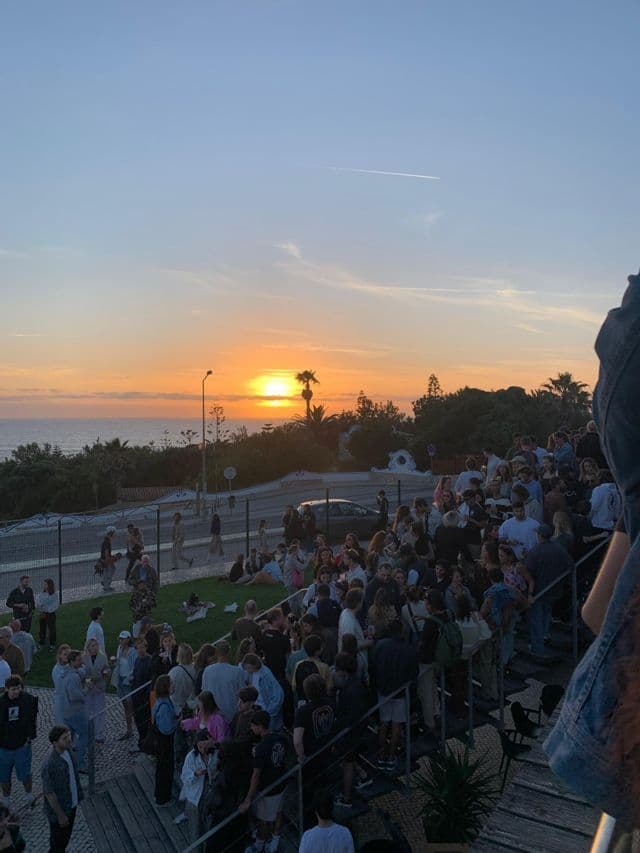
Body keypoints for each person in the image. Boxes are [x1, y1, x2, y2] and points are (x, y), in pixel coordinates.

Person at [238, 709, 288, 853]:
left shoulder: (261, 748)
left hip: (268, 788)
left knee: (263, 820)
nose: (252, 728)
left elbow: (256, 775)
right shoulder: (282, 737)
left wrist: (248, 799)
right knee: (278, 812)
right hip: (281, 782)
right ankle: (275, 840)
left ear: (260, 726)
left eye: (253, 725)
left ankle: (259, 844)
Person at [374, 620, 418, 771]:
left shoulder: (380, 645)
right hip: (400, 691)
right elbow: (414, 673)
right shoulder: (409, 649)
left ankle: (381, 754)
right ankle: (391, 756)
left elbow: (374, 666)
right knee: (397, 725)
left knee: (384, 723)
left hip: (383, 690)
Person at [525, 524, 573, 656]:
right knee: (546, 614)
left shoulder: (535, 551)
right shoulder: (559, 549)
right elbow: (570, 566)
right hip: (554, 590)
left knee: (536, 620)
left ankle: (537, 648)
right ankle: (545, 635)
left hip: (539, 591)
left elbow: (528, 571)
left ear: (540, 536)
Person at [41, 726, 83, 852]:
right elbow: (49, 793)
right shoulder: (50, 764)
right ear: (55, 743)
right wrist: (61, 815)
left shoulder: (68, 751)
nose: (69, 739)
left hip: (71, 805)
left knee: (63, 842)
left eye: (69, 736)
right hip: (60, 811)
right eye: (64, 738)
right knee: (57, 845)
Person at [0, 676, 38, 809]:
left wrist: (29, 738)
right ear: (6, 689)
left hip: (22, 746)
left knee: (25, 774)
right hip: (4, 748)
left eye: (18, 688)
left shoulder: (28, 700)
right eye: (13, 689)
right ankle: (6, 799)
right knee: (4, 777)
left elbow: (32, 719)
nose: (16, 692)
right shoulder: (1, 703)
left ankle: (29, 795)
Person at [177, 730, 215, 846]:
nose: (202, 749)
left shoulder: (216, 754)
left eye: (205, 746)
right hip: (195, 798)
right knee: (195, 829)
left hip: (210, 797)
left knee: (209, 827)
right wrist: (195, 774)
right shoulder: (191, 757)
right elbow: (184, 777)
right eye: (200, 746)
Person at [201, 640, 246, 724]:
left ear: (216, 653)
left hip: (213, 716)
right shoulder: (237, 672)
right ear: (228, 652)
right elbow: (243, 695)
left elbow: (204, 692)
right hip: (232, 715)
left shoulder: (207, 670)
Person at [240, 654, 284, 731]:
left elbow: (278, 694)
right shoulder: (251, 673)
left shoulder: (265, 674)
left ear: (255, 665)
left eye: (248, 668)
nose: (247, 670)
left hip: (267, 710)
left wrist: (270, 711)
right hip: (258, 708)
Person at [152, 674, 178, 806]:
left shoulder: (162, 701)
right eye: (171, 683)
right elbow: (166, 728)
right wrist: (177, 722)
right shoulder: (164, 706)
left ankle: (161, 795)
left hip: (162, 742)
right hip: (164, 742)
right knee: (165, 769)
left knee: (163, 768)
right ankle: (163, 798)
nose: (174, 685)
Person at [61, 650, 88, 773]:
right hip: (75, 711)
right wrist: (86, 689)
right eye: (78, 660)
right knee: (85, 736)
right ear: (72, 662)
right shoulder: (73, 677)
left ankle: (68, 761)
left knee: (68, 739)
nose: (81, 661)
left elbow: (82, 672)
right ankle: (80, 763)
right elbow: (75, 696)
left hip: (66, 711)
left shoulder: (67, 672)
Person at [82, 638, 109, 745]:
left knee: (100, 711)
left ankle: (99, 735)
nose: (95, 647)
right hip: (88, 688)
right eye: (92, 646)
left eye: (96, 645)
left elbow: (106, 668)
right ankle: (89, 733)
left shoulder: (102, 657)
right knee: (88, 711)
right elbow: (82, 672)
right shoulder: (84, 658)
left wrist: (106, 672)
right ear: (88, 647)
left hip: (99, 687)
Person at [131, 638, 153, 751]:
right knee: (138, 720)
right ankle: (141, 740)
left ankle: (146, 742)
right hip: (136, 695)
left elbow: (151, 679)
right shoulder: (137, 660)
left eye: (142, 647)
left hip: (145, 696)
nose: (140, 650)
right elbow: (135, 674)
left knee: (146, 720)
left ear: (146, 647)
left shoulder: (150, 660)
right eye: (138, 648)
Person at [114, 631, 137, 740]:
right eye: (120, 639)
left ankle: (134, 729)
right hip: (121, 680)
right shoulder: (119, 648)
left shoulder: (132, 651)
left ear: (128, 639)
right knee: (125, 706)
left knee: (131, 706)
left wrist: (130, 678)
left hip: (128, 681)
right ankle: (129, 729)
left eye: (123, 639)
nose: (121, 641)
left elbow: (134, 667)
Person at [37, 578, 58, 651]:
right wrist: (41, 609)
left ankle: (52, 644)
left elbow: (55, 605)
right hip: (43, 614)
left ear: (49, 585)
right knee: (42, 629)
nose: (44, 585)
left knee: (52, 629)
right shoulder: (42, 594)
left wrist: (48, 610)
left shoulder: (54, 595)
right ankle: (41, 642)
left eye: (45, 584)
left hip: (50, 614)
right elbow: (39, 603)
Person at [98, 525, 121, 592]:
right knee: (110, 571)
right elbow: (106, 552)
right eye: (114, 532)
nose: (115, 534)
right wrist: (109, 561)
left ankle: (105, 582)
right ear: (111, 533)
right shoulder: (107, 542)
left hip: (105, 559)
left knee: (109, 571)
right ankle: (106, 586)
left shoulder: (107, 540)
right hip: (106, 560)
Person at [52, 645, 71, 725]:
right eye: (65, 654)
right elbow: (60, 685)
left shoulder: (71, 667)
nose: (67, 656)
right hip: (61, 699)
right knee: (61, 722)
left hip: (70, 700)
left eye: (68, 654)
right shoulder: (56, 669)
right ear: (60, 655)